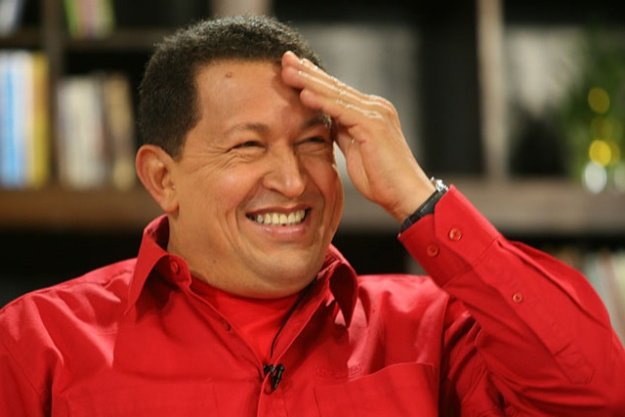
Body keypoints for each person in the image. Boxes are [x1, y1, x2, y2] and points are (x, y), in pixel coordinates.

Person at [1, 15, 624, 417]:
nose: (294, 180)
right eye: (248, 146)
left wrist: (420, 198)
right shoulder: (39, 342)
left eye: (313, 143)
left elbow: (596, 396)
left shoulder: (433, 328)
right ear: (163, 178)